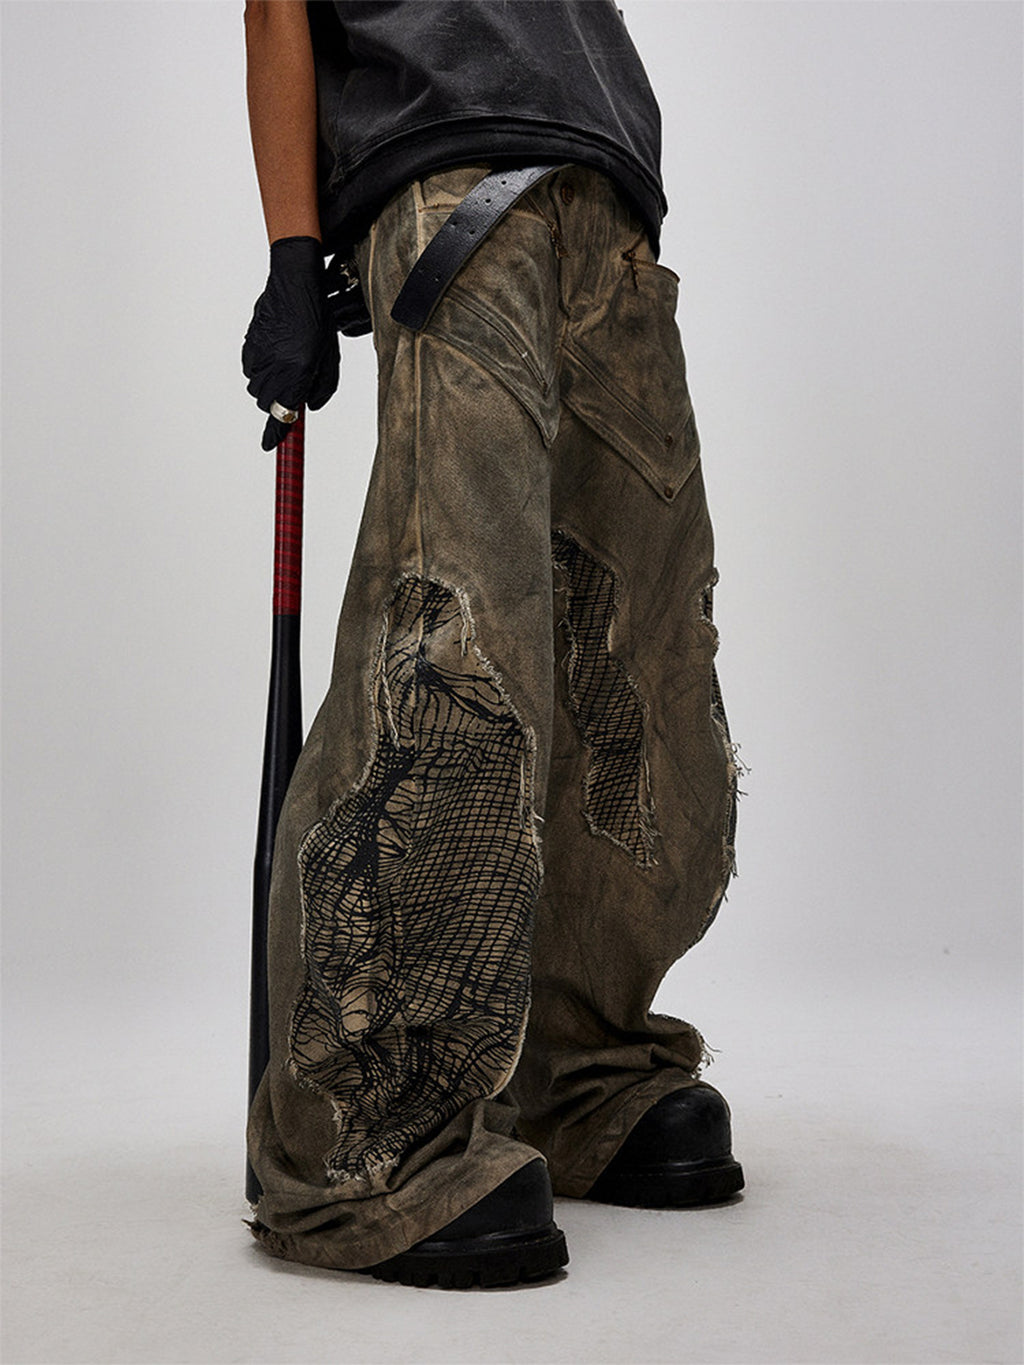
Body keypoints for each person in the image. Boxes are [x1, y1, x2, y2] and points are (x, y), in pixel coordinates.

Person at [241, 0, 745, 1290]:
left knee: (636, 658)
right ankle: (363, 1144)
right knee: (453, 655)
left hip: (609, 206)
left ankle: (577, 1070)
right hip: (456, 197)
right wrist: (295, 251)